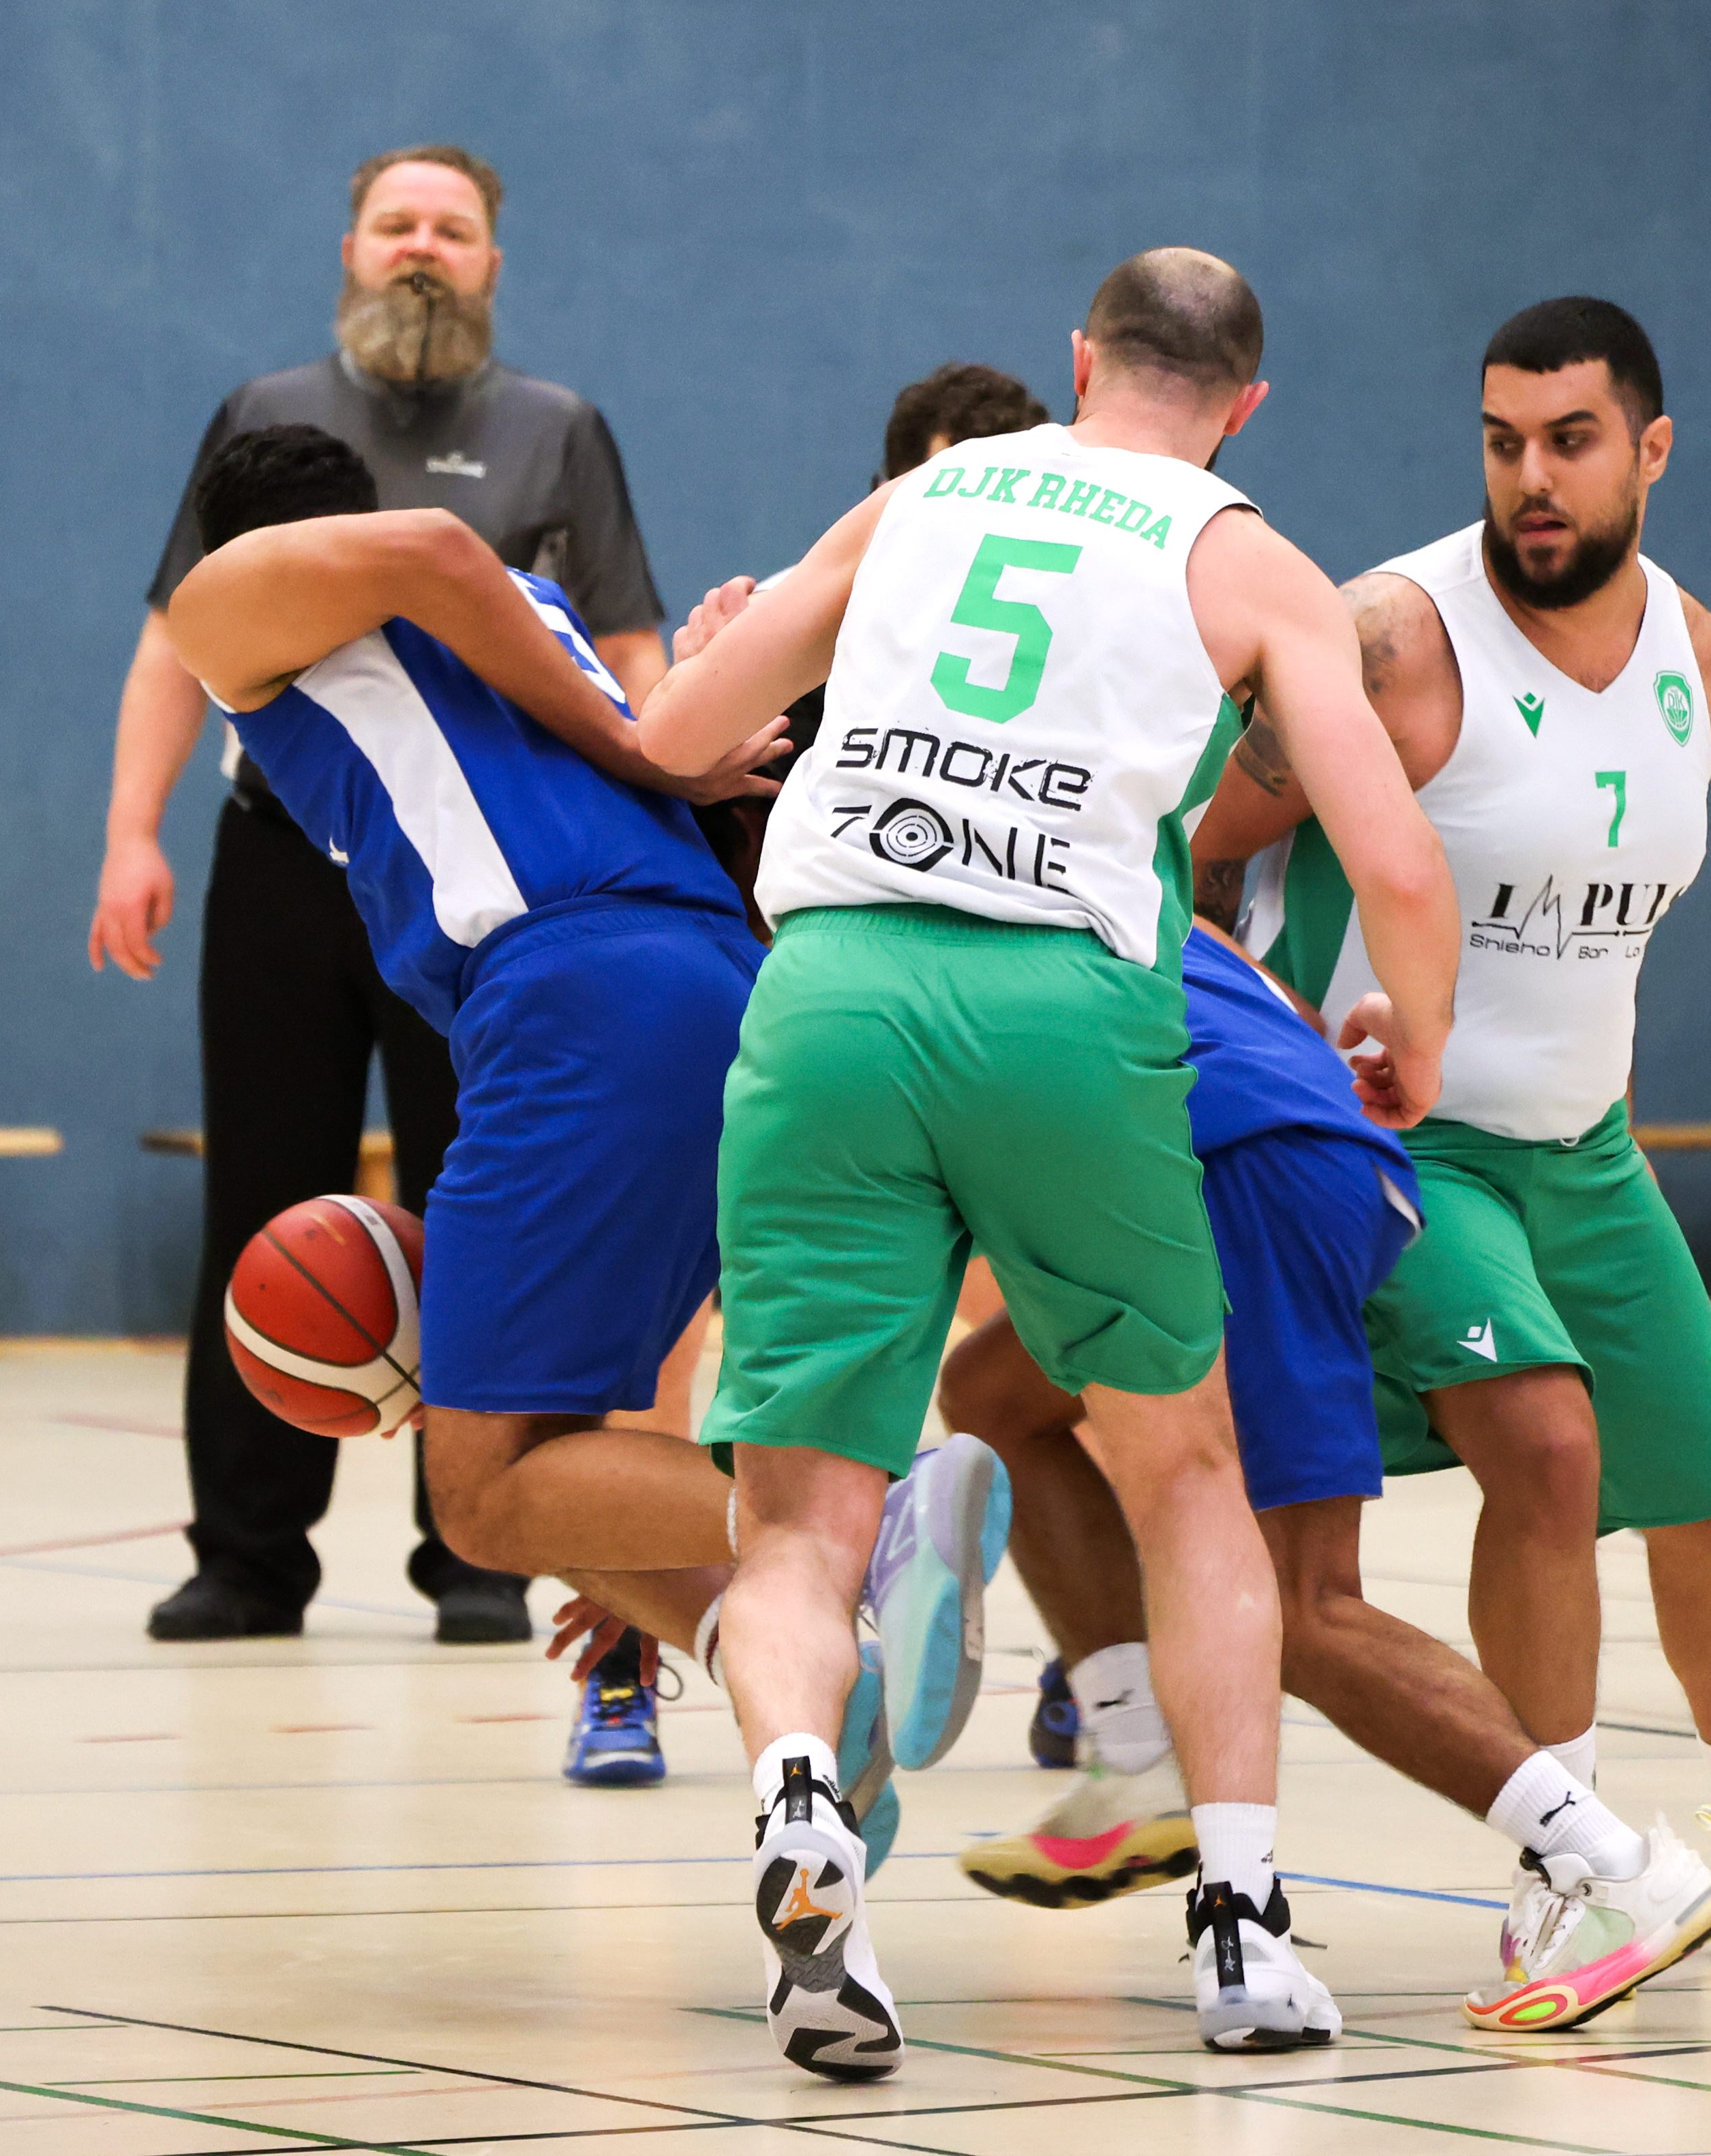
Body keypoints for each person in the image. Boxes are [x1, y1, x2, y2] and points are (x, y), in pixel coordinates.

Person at [638, 248, 1460, 2073]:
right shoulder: (1249, 560)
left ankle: (798, 1808)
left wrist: (721, 683)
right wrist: (1415, 1036)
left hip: (833, 988)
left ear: (1078, 361)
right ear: (1244, 405)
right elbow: (1396, 859)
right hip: (1064, 1011)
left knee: (796, 1518)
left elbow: (676, 736)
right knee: (1185, 1472)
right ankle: (1241, 1933)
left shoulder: (924, 497)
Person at [1198, 297, 1711, 1967]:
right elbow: (1188, 850)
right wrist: (1263, 1048)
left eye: (1568, 441)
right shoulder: (1391, 636)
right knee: (1548, 1452)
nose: (1531, 478)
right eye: (1502, 443)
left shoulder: (1694, 649)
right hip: (1403, 1147)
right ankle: (1565, 1873)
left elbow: (1601, 922)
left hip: (1585, 1151)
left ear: (1651, 449)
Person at [159, 422, 1006, 1885]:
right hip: (716, 987)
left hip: (574, 994)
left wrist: (635, 745)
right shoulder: (531, 616)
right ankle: (803, 1690)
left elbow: (428, 545)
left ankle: (873, 1529)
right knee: (545, 1470)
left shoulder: (242, 601)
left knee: (479, 1492)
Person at [943, 916, 1711, 2032]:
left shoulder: (848, 916)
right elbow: (1273, 1002)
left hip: (1242, 1177)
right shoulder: (1106, 859)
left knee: (1295, 1606)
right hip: (1307, 1145)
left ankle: (1607, 1863)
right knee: (993, 1395)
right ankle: (1141, 1746)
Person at [92, 144, 672, 1654]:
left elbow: (631, 641)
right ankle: (247, 1556)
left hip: (492, 881)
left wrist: (653, 756)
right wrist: (131, 834)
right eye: (395, 223)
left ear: (491, 261)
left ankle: (476, 1551)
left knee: (479, 1186)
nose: (422, 247)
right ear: (350, 248)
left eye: (452, 228)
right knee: (260, 1195)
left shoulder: (556, 428)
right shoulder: (263, 415)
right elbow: (170, 640)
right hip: (290, 856)